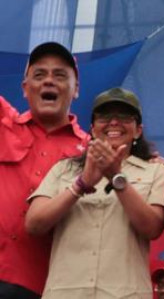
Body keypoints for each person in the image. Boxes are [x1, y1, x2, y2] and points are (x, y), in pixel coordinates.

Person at [25, 87, 164, 298]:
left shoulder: (156, 170)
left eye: (124, 116)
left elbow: (152, 228)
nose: (114, 122)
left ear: (138, 130)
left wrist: (117, 179)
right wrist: (80, 185)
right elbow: (34, 224)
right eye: (104, 116)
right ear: (93, 129)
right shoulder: (63, 169)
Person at [0, 42, 89, 299]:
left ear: (76, 89)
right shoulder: (4, 123)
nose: (49, 81)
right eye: (39, 75)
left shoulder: (91, 153)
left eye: (60, 75)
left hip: (43, 287)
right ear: (25, 88)